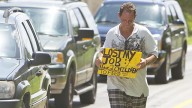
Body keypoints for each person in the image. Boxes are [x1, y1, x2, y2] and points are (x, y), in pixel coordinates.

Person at [96, 2, 158, 108]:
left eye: (130, 21)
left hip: (137, 86)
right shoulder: (112, 33)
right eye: (124, 20)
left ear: (135, 17)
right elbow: (103, 52)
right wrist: (100, 59)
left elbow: (155, 54)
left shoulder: (143, 33)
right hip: (115, 84)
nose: (127, 23)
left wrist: (145, 61)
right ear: (119, 16)